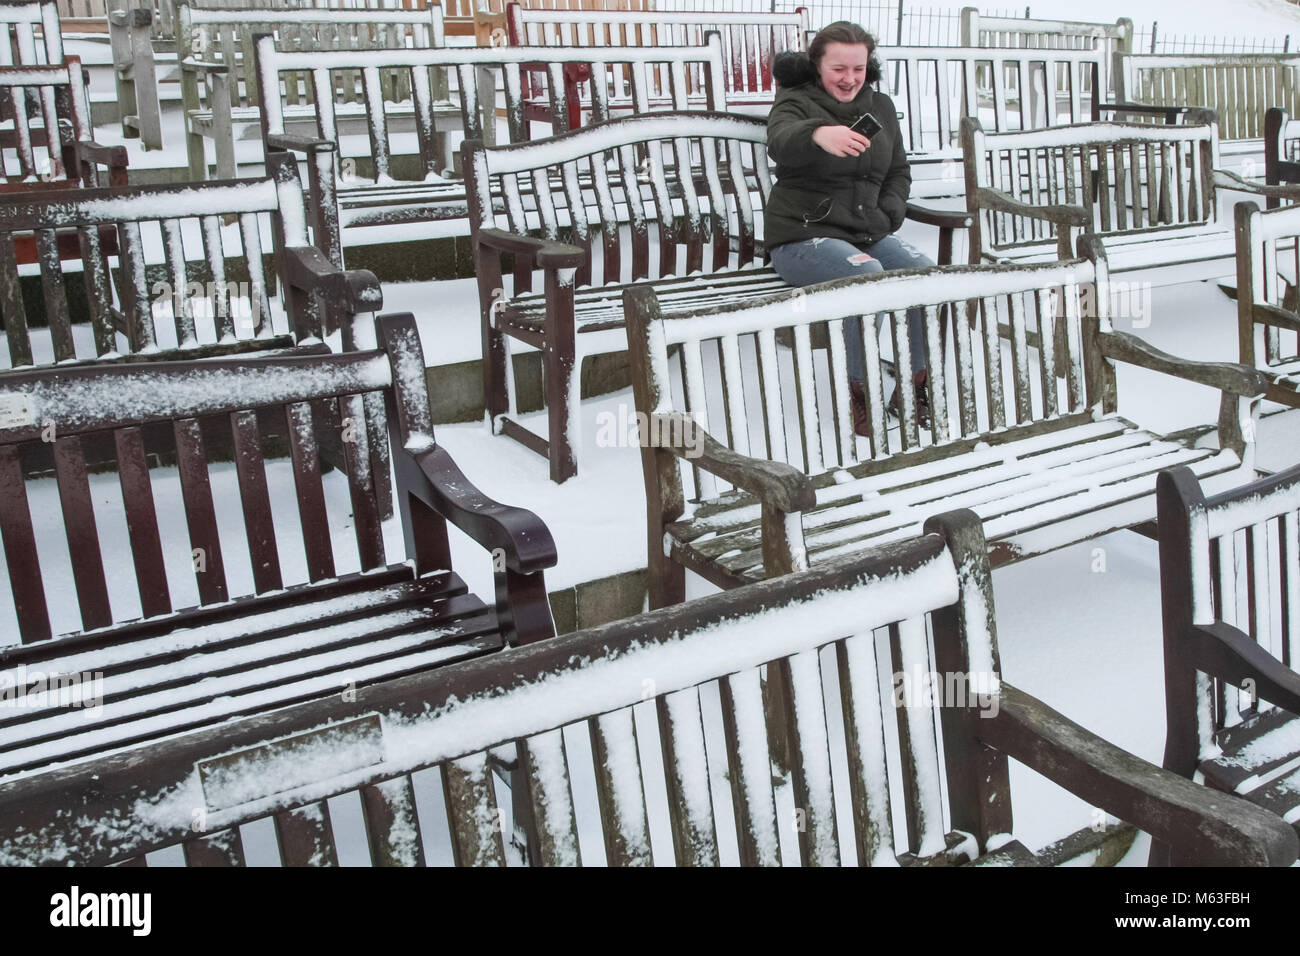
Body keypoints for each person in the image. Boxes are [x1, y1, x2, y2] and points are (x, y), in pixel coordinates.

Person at [766, 21, 935, 434]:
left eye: (858, 68)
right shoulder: (796, 100)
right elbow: (781, 138)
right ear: (817, 65)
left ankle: (915, 387)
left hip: (865, 232)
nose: (849, 78)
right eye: (838, 68)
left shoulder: (880, 106)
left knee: (926, 276)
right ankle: (861, 394)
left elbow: (898, 171)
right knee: (865, 276)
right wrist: (819, 133)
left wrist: (889, 214)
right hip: (802, 237)